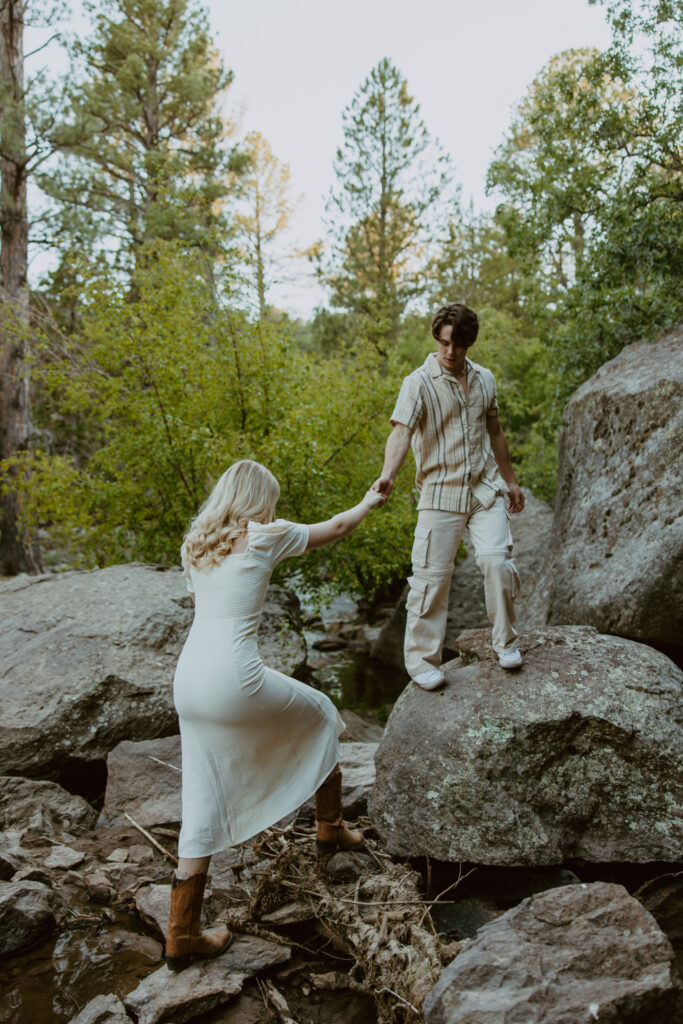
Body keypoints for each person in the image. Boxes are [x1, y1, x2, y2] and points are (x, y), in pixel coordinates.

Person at [165, 460, 385, 972]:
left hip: (188, 683)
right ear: (259, 500)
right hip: (233, 680)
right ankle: (329, 826)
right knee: (325, 713)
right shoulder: (266, 535)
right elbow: (336, 528)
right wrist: (369, 501)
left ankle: (181, 936)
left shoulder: (195, 544)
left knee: (200, 797)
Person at [372, 302, 525, 689]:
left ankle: (505, 642)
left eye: (457, 345)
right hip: (440, 492)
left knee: (496, 562)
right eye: (442, 343)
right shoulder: (417, 382)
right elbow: (402, 432)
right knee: (431, 579)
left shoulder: (485, 379)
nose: (449, 352)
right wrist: (388, 475)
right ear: (436, 339)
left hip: (485, 490)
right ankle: (423, 662)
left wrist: (510, 480)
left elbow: (495, 432)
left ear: (469, 343)